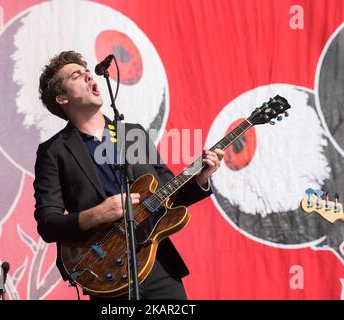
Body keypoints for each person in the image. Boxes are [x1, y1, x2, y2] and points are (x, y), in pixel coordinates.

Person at [33, 51, 224, 300]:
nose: (88, 76)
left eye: (87, 72)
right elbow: (48, 225)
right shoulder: (53, 151)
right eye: (77, 75)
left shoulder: (133, 134)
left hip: (157, 264)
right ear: (61, 98)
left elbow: (170, 195)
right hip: (104, 270)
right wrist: (97, 214)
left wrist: (200, 178)